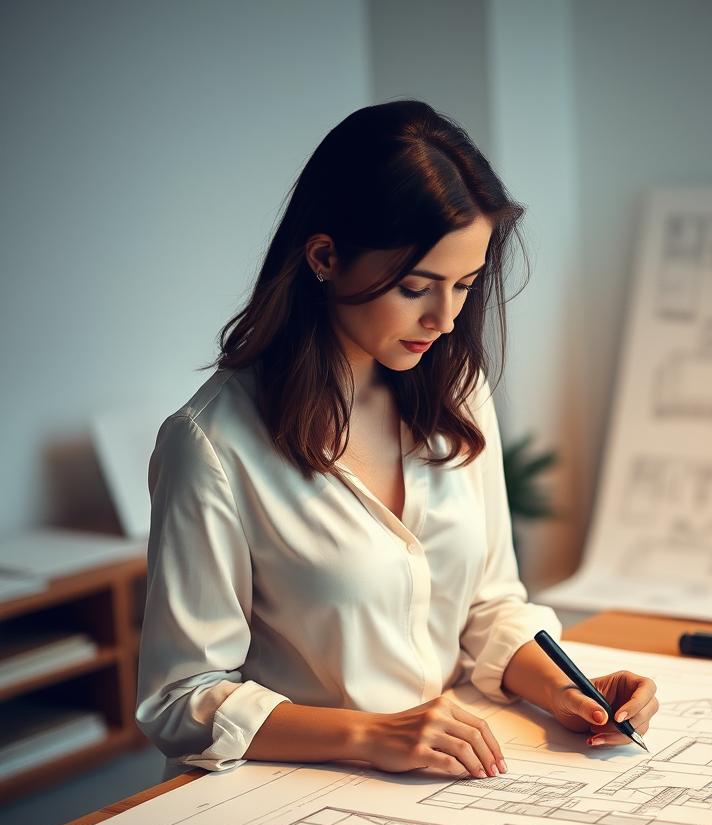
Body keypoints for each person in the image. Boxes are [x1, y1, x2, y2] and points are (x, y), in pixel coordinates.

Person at [136, 100, 659, 778]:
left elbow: (488, 607)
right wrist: (369, 735)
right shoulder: (210, 445)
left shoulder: (454, 393)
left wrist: (567, 691)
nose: (443, 318)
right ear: (325, 256)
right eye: (416, 287)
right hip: (295, 801)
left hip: (453, 777)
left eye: (465, 286)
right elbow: (182, 699)